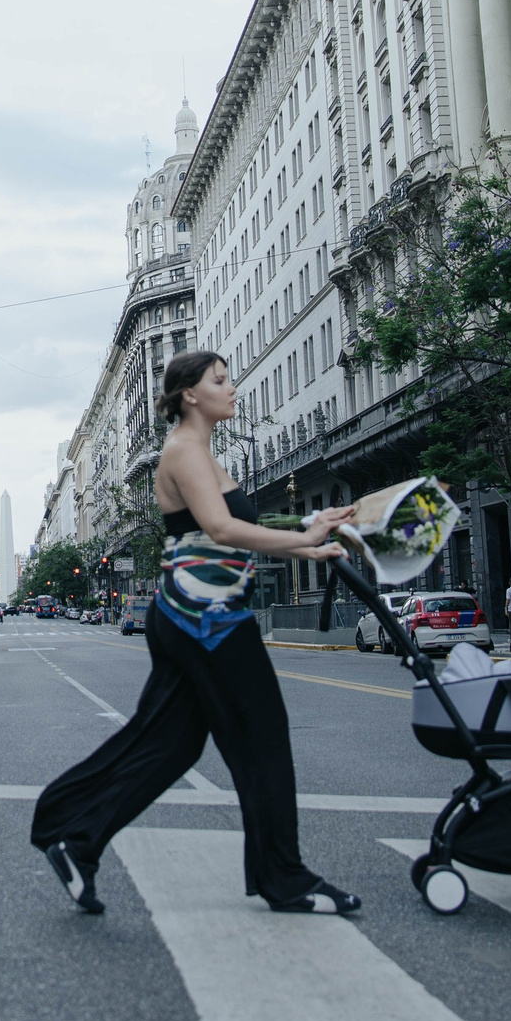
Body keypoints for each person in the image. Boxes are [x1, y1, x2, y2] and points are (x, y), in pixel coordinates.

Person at [32, 350, 362, 917]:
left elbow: (242, 524)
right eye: (220, 380)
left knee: (170, 745)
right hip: (205, 620)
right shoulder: (183, 451)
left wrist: (312, 524)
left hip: (196, 617)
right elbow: (219, 527)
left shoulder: (204, 453)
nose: (231, 389)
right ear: (190, 394)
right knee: (262, 740)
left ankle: (74, 837)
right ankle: (284, 876)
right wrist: (308, 545)